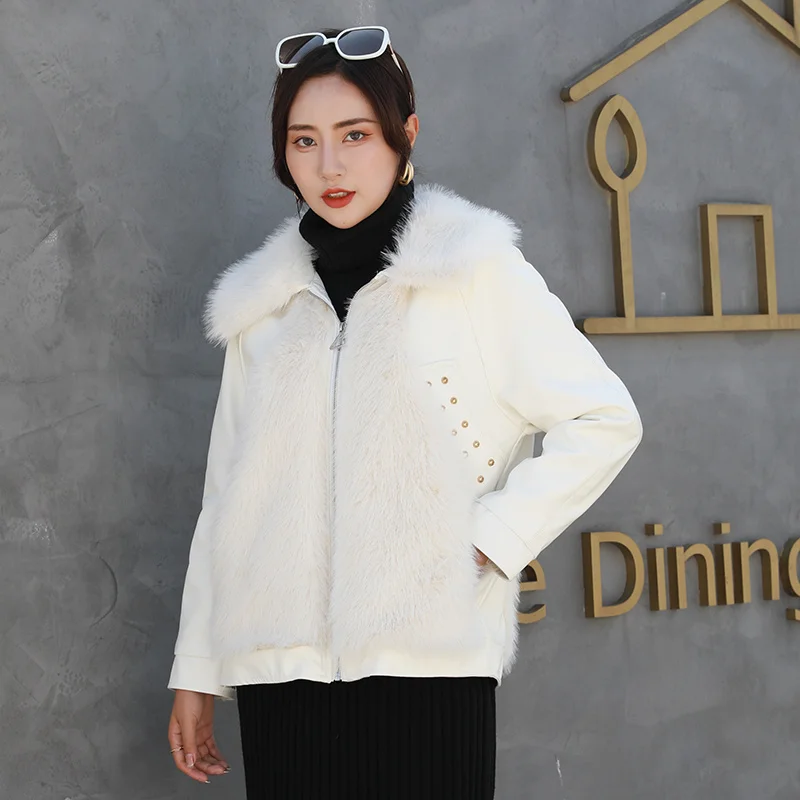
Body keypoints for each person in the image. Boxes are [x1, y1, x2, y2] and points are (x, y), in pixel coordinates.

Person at [165, 24, 643, 799]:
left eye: (354, 135)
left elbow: (604, 419)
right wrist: (197, 669)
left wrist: (485, 544)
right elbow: (226, 501)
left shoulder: (474, 272)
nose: (329, 165)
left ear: (405, 133)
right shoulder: (264, 306)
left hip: (427, 669)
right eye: (304, 140)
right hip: (280, 676)